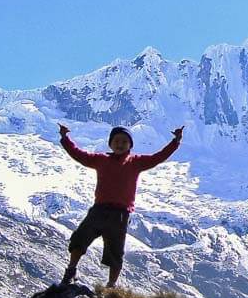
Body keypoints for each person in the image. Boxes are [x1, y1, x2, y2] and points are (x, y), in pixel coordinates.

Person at [57, 122, 183, 288]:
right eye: (116, 141)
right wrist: (65, 138)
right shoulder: (101, 159)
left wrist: (175, 142)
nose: (120, 144)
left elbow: (158, 157)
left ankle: (111, 286)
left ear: (130, 145)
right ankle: (71, 270)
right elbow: (79, 155)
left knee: (115, 252)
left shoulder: (136, 162)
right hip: (99, 210)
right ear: (110, 144)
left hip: (120, 215)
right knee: (80, 238)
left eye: (124, 141)